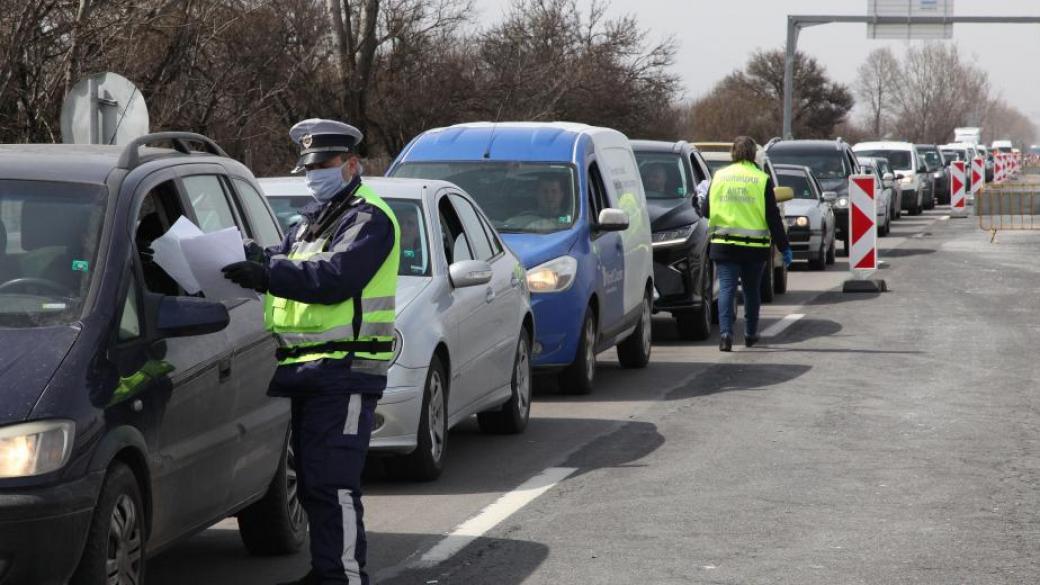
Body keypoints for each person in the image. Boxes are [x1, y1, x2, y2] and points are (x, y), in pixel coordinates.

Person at [222, 119, 400, 585]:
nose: (314, 173)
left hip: (345, 370)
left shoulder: (369, 218)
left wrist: (266, 275)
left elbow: (335, 276)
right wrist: (244, 257)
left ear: (352, 164)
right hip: (307, 371)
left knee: (333, 484)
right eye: (309, 165)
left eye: (324, 164)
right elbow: (280, 259)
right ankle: (328, 571)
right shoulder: (310, 220)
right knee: (317, 486)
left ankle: (342, 577)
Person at [702, 136, 792, 352]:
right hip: (754, 248)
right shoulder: (762, 179)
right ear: (753, 154)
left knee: (726, 289)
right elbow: (773, 217)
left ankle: (725, 335)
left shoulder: (719, 177)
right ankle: (750, 334)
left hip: (724, 245)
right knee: (752, 291)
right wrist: (784, 246)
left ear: (733, 153)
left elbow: (705, 211)